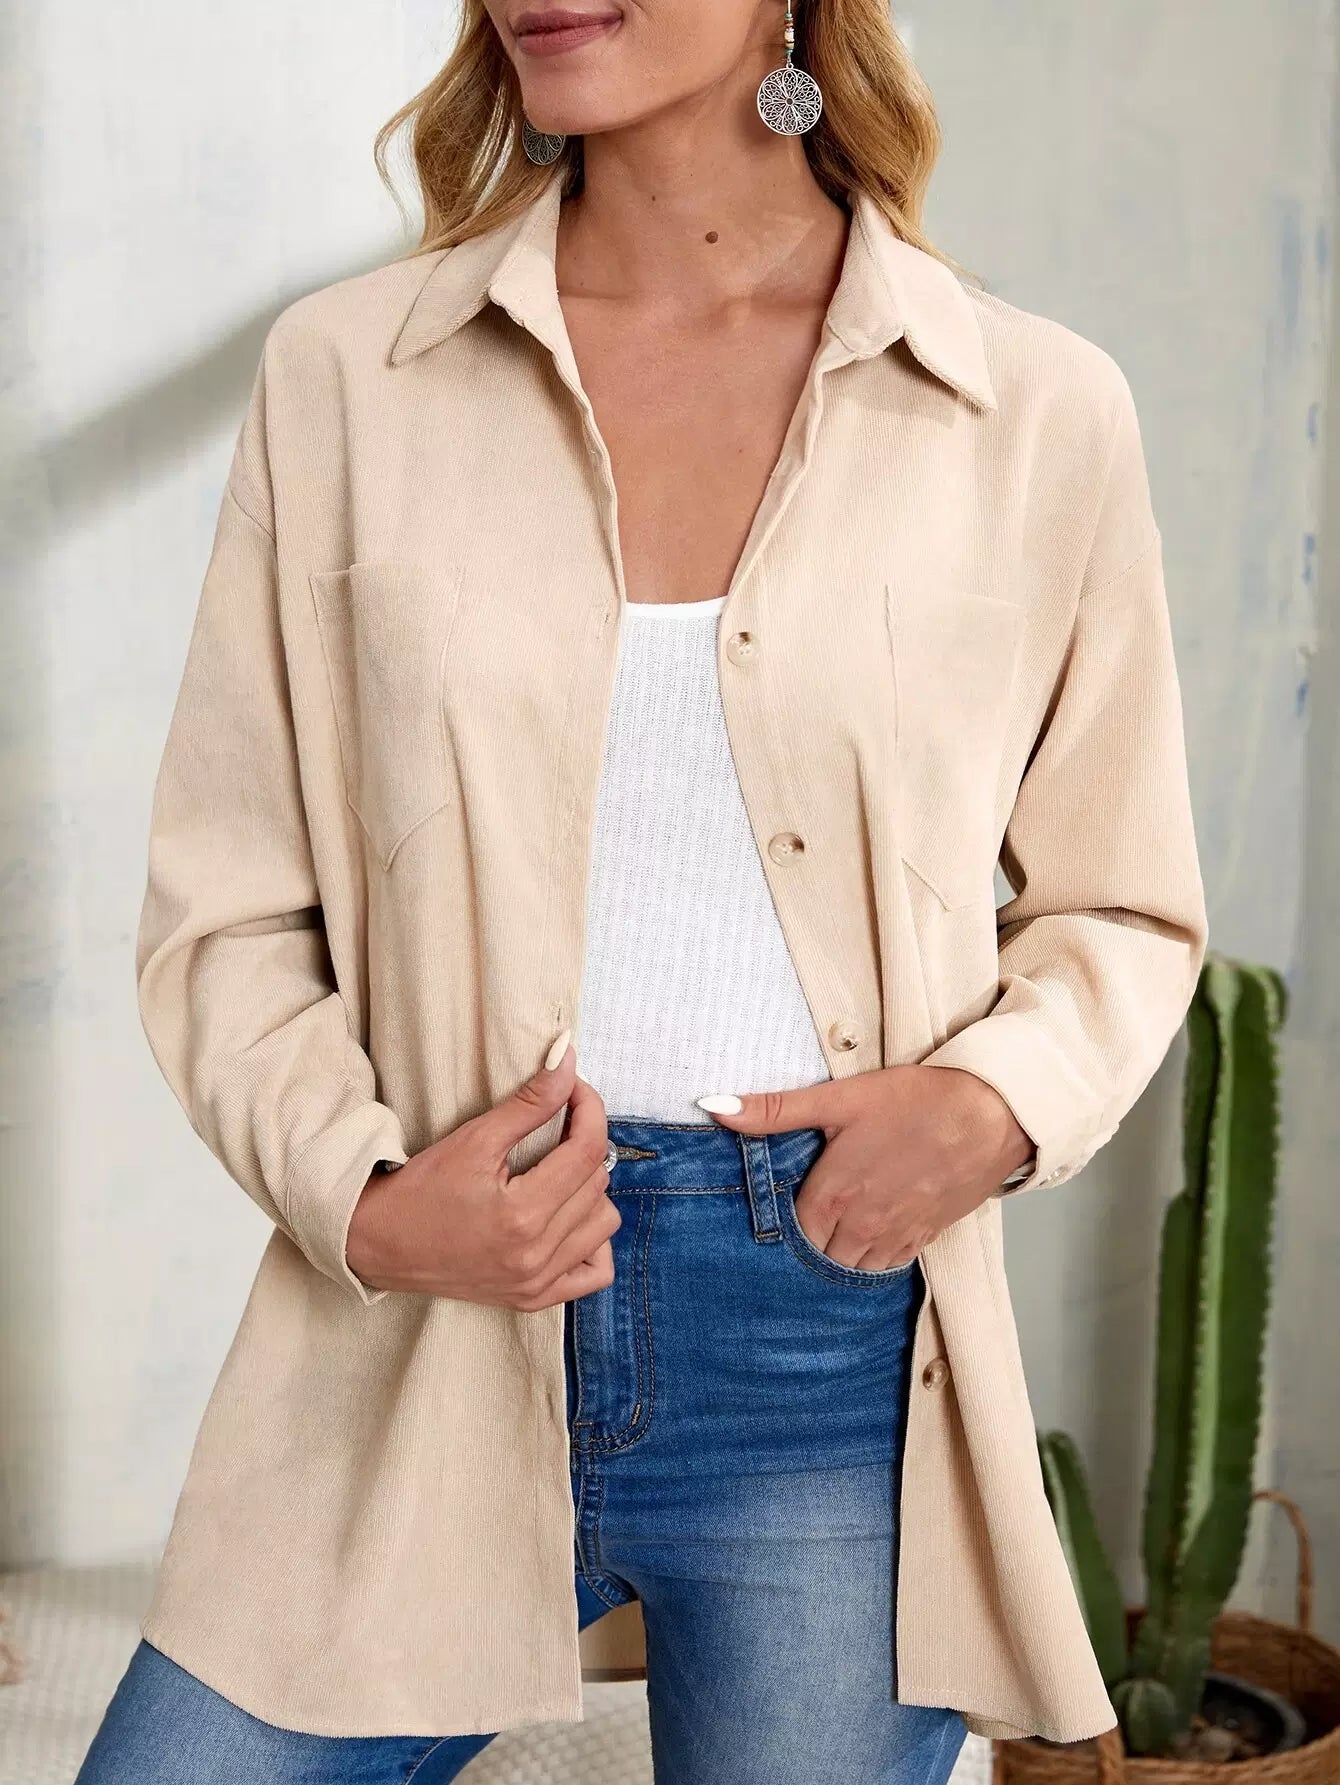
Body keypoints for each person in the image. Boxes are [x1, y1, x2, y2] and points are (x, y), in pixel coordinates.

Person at [75, 1, 1208, 1781]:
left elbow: (1122, 903)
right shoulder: (349, 378)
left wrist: (991, 1108)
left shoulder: (1030, 408)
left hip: (829, 1340)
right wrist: (371, 1204)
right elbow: (227, 910)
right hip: (429, 1324)